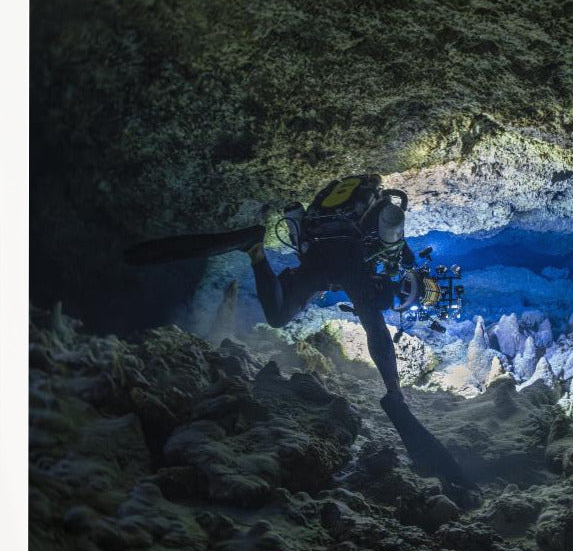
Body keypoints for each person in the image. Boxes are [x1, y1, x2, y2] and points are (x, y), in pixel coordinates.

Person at [124, 174, 478, 506]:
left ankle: (254, 247)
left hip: (321, 252)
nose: (395, 296)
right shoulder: (380, 272)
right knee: (356, 315)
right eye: (401, 292)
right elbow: (377, 330)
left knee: (278, 315)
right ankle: (253, 249)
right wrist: (393, 391)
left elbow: (385, 289)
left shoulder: (386, 260)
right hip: (339, 258)